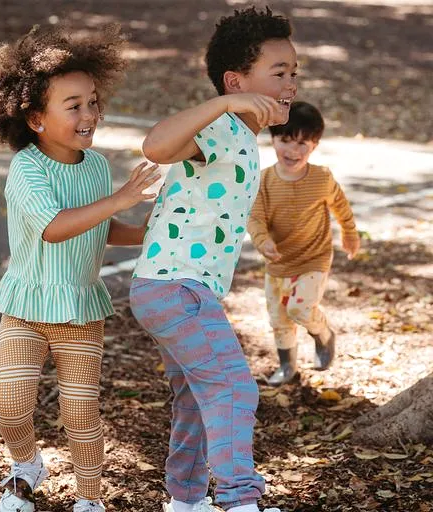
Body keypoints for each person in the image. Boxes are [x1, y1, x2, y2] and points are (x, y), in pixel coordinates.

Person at [0, 25, 159, 512]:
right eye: (74, 105)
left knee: (81, 413)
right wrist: (122, 197)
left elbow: (100, 227)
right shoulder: (27, 168)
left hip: (81, 308)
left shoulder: (97, 166)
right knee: (10, 405)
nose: (90, 114)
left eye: (94, 101)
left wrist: (148, 230)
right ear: (37, 119)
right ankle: (26, 465)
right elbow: (55, 227)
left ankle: (90, 498)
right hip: (27, 304)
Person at [129, 6, 297, 512]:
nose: (291, 83)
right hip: (176, 290)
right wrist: (225, 103)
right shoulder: (221, 126)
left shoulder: (242, 138)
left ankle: (184, 500)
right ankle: (241, 501)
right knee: (233, 390)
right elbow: (156, 145)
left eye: (295, 72)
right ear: (235, 81)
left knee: (196, 400)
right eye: (279, 72)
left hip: (175, 289)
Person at [247, 101, 360, 386]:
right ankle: (287, 367)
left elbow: (341, 206)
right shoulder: (263, 181)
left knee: (299, 308)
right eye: (285, 140)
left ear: (315, 145)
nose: (293, 151)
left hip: (314, 258)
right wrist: (263, 240)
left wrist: (349, 233)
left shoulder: (321, 178)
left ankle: (323, 333)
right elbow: (255, 217)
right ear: (272, 139)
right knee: (279, 319)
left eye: (302, 144)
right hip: (278, 262)